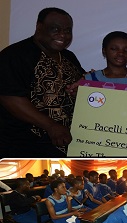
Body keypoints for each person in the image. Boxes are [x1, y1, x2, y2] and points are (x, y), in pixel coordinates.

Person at [0, 7, 84, 157]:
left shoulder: (69, 57)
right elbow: (10, 97)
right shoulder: (14, 55)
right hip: (23, 145)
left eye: (67, 30)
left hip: (62, 144)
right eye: (55, 29)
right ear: (39, 27)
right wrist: (50, 126)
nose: (63, 35)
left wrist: (85, 84)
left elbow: (80, 85)